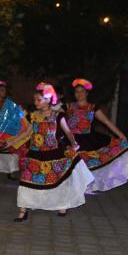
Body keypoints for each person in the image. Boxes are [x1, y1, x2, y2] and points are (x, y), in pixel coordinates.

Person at [14, 83, 94, 221]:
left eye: (38, 100)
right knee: (26, 180)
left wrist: (74, 143)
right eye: (34, 100)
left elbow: (68, 132)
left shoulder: (58, 116)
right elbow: (27, 132)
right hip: (34, 153)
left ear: (49, 99)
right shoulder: (33, 116)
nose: (35, 102)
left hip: (53, 154)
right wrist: (11, 141)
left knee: (58, 181)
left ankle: (62, 205)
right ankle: (23, 210)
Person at [67, 78, 128, 193]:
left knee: (89, 163)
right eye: (77, 91)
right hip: (71, 140)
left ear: (87, 93)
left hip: (88, 139)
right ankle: (72, 187)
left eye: (82, 91)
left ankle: (87, 186)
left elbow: (106, 122)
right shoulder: (68, 107)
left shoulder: (92, 108)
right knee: (71, 164)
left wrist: (121, 135)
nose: (79, 94)